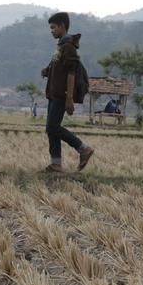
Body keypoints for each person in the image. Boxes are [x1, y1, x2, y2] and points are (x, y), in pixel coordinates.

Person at [40, 12, 93, 172]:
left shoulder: (68, 47)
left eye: (53, 27)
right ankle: (56, 163)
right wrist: (47, 71)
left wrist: (69, 98)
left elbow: (71, 74)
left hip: (61, 95)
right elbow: (58, 68)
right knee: (51, 129)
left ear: (62, 26)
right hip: (53, 94)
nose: (51, 31)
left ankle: (83, 148)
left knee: (53, 127)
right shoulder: (61, 46)